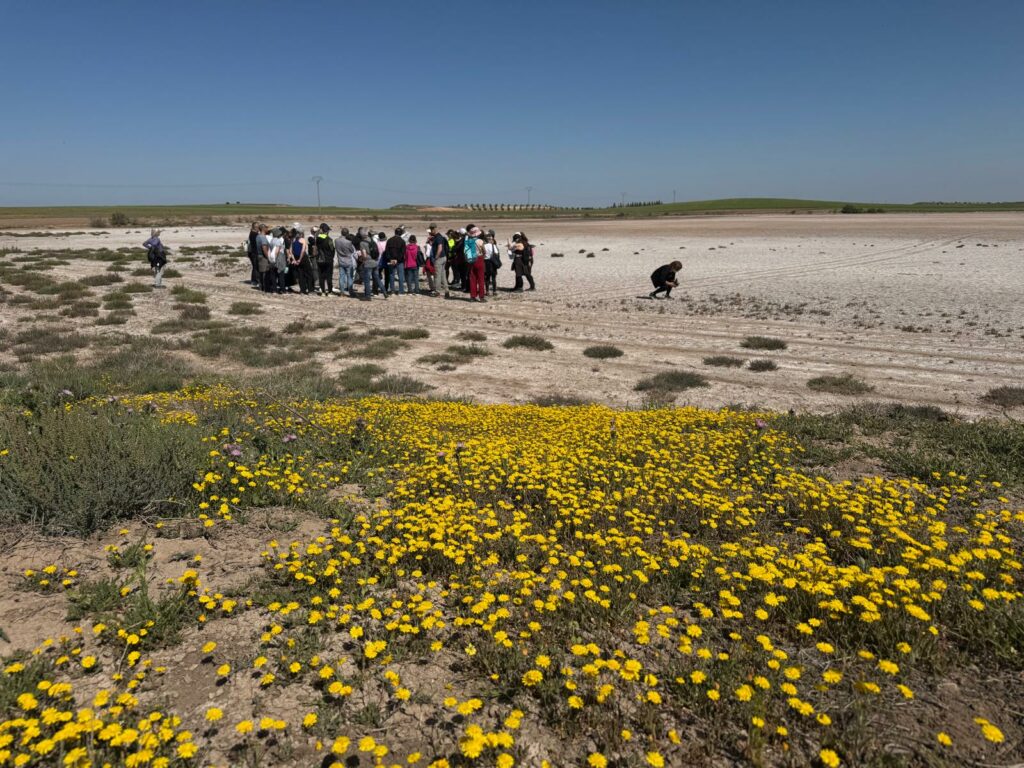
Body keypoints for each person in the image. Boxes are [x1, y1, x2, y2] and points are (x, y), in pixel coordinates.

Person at [358, 228, 387, 300]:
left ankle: (368, 296)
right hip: (375, 261)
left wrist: (361, 258)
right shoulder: (372, 240)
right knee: (377, 278)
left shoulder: (362, 243)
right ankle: (384, 292)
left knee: (367, 280)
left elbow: (364, 255)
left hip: (368, 263)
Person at [465, 226, 486, 302]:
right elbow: (484, 251)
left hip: (471, 260)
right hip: (479, 259)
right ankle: (481, 296)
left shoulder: (468, 241)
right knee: (481, 279)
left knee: (472, 279)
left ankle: (473, 296)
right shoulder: (480, 241)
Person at [289, 227, 313, 294]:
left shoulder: (293, 240)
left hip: (296, 258)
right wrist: (299, 259)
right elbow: (303, 250)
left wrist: (294, 260)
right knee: (309, 273)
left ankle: (302, 290)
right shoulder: (303, 240)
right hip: (303, 258)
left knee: (300, 275)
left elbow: (291, 251)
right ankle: (310, 289)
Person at [335, 227, 357, 297]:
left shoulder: (336, 240)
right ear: (347, 234)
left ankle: (342, 292)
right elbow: (352, 251)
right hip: (348, 261)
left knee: (341, 277)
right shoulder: (348, 242)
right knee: (349, 277)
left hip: (340, 260)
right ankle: (350, 292)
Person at [384, 228, 407, 294]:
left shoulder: (389, 240)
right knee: (400, 276)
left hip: (391, 260)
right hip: (399, 261)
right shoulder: (402, 241)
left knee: (392, 275)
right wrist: (397, 259)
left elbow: (387, 251)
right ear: (401, 233)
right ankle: (401, 291)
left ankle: (392, 290)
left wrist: (390, 259)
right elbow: (403, 252)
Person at [428, 224, 448, 298]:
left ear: (434, 229)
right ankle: (446, 291)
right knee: (443, 275)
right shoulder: (438, 237)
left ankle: (437, 291)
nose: (430, 231)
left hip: (439, 258)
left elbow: (440, 248)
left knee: (437, 276)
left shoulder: (438, 237)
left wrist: (436, 257)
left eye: (431, 229)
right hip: (443, 257)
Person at [315, 223, 335, 295]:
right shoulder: (329, 239)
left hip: (320, 259)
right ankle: (329, 292)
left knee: (321, 276)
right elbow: (332, 250)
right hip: (328, 259)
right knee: (329, 276)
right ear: (327, 231)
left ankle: (323, 291)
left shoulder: (318, 238)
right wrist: (331, 257)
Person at [256, 224, 274, 293]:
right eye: (266, 228)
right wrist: (268, 257)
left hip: (259, 255)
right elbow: (264, 248)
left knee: (261, 272)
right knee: (265, 272)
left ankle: (262, 287)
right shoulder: (263, 237)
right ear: (263, 229)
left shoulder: (258, 236)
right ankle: (265, 288)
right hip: (263, 257)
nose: (267, 229)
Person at [483, 231, 501, 296]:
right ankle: (494, 291)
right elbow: (496, 253)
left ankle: (487, 291)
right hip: (492, 262)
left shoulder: (484, 246)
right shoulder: (493, 246)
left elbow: (482, 254)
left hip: (486, 262)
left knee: (487, 278)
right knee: (493, 278)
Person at [246, 222, 260, 286]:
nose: (258, 228)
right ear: (255, 227)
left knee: (255, 267)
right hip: (254, 253)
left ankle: (254, 280)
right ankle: (255, 281)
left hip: (252, 252)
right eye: (258, 227)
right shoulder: (254, 234)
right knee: (255, 267)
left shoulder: (252, 233)